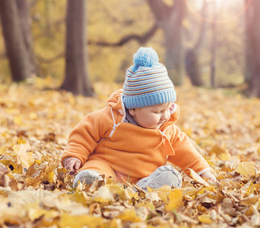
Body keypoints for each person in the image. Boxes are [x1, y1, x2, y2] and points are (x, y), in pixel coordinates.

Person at [61, 47, 216, 189]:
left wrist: (202, 172)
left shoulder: (166, 130)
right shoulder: (112, 118)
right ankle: (91, 181)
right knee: (95, 168)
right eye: (156, 112)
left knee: (162, 177)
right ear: (133, 109)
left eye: (168, 108)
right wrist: (74, 155)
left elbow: (186, 151)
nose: (165, 116)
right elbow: (84, 133)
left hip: (143, 176)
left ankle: (152, 185)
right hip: (108, 166)